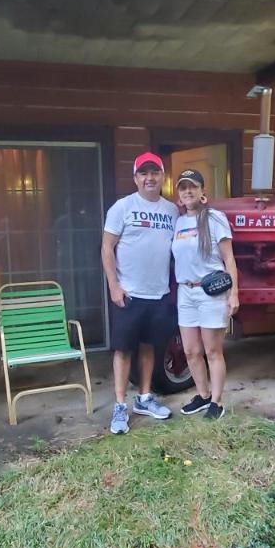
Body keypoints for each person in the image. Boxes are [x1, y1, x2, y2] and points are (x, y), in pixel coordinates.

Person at [101, 152, 179, 435]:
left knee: (149, 347)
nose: (150, 178)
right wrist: (114, 285)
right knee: (123, 350)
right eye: (144, 173)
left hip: (158, 293)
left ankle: (144, 398)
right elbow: (107, 247)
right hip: (129, 293)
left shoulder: (172, 211)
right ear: (135, 178)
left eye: (155, 172)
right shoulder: (122, 208)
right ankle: (120, 405)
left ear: (162, 176)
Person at [171, 168, 239, 420]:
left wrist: (234, 293)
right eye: (183, 187)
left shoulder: (214, 218)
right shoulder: (178, 222)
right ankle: (203, 394)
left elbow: (229, 258)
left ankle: (218, 401)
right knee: (190, 351)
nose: (187, 191)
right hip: (185, 292)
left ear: (202, 193)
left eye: (192, 186)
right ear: (179, 195)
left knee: (212, 351)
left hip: (209, 292)